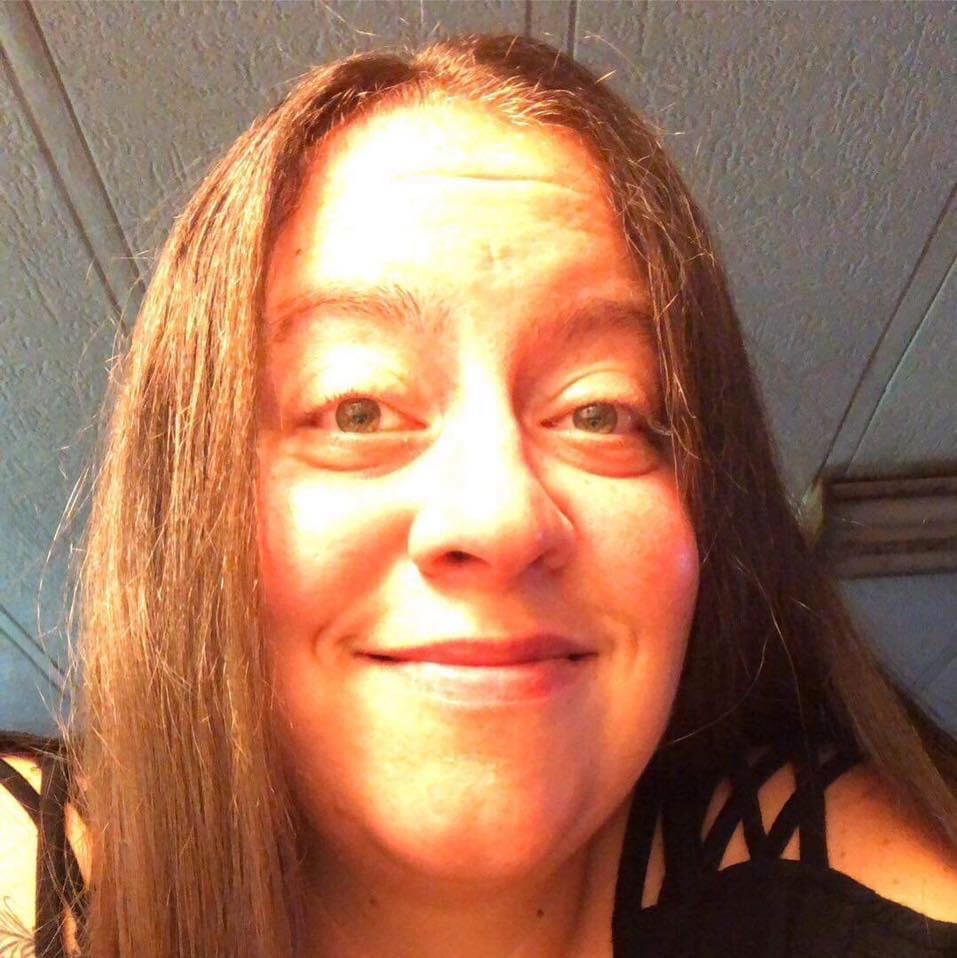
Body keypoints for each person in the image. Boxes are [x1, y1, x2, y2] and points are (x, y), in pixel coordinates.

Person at [1, 32, 956, 958]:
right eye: (358, 408)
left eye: (599, 411)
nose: (497, 517)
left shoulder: (838, 883)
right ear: (187, 504)